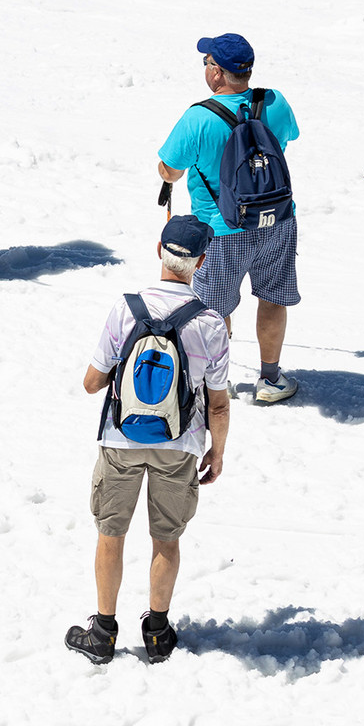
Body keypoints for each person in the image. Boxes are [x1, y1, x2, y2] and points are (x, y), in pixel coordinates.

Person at [67, 216, 230, 665]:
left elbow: (91, 382)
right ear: (200, 260)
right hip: (179, 444)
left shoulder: (125, 309)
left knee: (110, 534)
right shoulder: (212, 323)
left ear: (159, 249)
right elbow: (217, 404)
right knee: (166, 540)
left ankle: (102, 633)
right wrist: (217, 451)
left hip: (120, 440)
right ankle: (157, 632)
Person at [157, 34, 301, 403]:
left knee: (212, 309)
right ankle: (270, 379)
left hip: (220, 229)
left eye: (207, 63)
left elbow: (169, 170)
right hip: (277, 220)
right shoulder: (274, 102)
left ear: (217, 73)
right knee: (272, 298)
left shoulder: (199, 118)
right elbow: (286, 139)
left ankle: (212, 383)